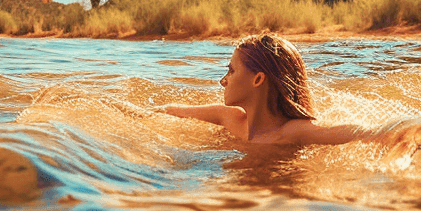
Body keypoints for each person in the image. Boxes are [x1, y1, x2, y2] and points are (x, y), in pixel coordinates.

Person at [157, 33, 373, 145]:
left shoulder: (292, 131)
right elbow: (173, 110)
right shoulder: (229, 118)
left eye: (231, 71)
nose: (223, 81)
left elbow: (360, 133)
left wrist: (388, 133)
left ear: (258, 79)